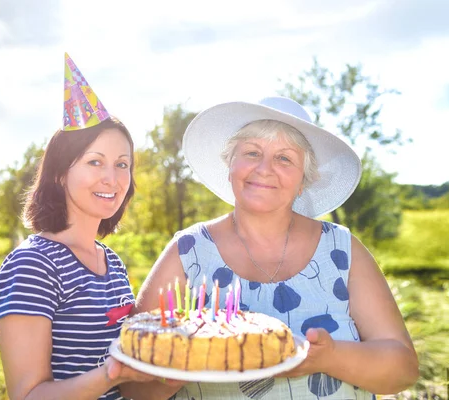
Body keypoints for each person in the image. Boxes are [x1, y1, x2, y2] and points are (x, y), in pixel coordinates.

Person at [123, 97, 419, 399]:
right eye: (252, 152)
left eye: (285, 158)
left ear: (303, 180)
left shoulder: (342, 249)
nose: (264, 169)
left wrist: (328, 357)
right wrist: (172, 373)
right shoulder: (187, 250)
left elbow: (404, 369)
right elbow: (130, 382)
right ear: (230, 165)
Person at [0, 53, 159, 400]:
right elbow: (28, 395)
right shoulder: (32, 266)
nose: (111, 178)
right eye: (94, 161)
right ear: (59, 173)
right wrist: (113, 372)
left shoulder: (111, 261)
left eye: (122, 164)